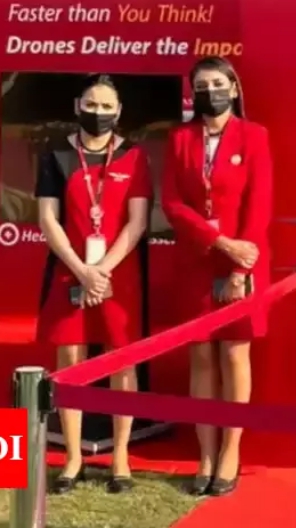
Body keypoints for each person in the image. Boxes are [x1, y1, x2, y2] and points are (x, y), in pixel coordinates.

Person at [161, 56, 273, 497]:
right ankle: (205, 454)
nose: (211, 92)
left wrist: (240, 267)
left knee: (234, 355)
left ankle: (230, 451)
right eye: (202, 86)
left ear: (234, 87)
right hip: (197, 260)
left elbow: (259, 205)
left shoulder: (254, 135)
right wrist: (219, 242)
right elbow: (172, 203)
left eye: (218, 83)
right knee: (202, 358)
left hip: (243, 263)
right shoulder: (180, 138)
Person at [35, 74, 152, 495]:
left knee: (123, 362)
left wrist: (101, 269)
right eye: (91, 104)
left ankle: (120, 456)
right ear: (77, 106)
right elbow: (48, 219)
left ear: (118, 112)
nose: (97, 113)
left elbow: (138, 222)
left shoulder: (134, 156)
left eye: (106, 107)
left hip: (119, 275)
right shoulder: (55, 154)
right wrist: (82, 270)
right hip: (70, 271)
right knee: (72, 363)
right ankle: (73, 458)